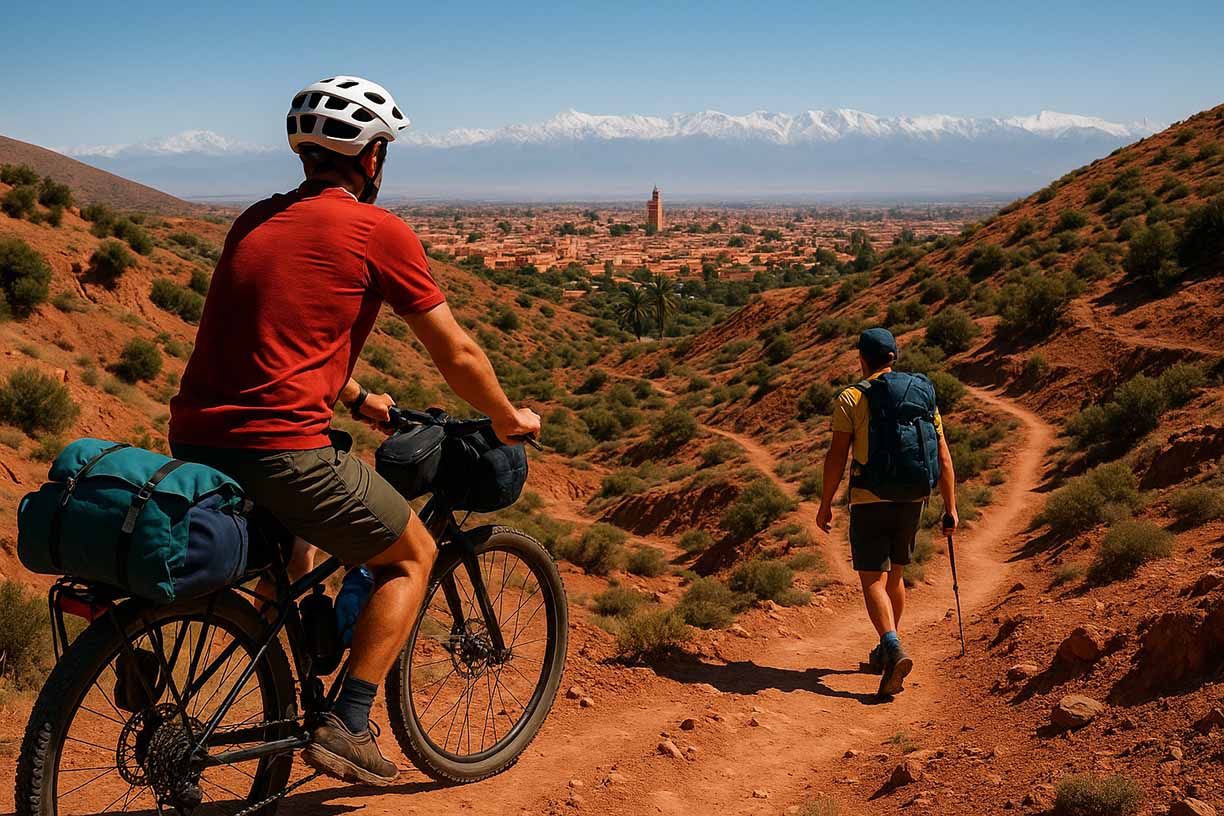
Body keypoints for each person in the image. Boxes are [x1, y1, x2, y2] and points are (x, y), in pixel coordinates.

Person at [168, 76, 541, 785]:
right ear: (371, 157)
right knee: (412, 554)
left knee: (293, 541)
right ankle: (349, 723)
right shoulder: (377, 231)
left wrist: (359, 394)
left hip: (196, 439)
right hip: (281, 450)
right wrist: (505, 416)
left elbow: (270, 342)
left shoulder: (254, 219)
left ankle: (287, 678)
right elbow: (457, 351)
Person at [814, 328, 957, 698]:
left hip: (870, 497)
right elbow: (942, 455)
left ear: (862, 357)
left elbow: (836, 457)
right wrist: (951, 508)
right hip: (913, 498)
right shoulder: (923, 394)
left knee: (872, 581)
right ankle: (884, 649)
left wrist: (825, 502)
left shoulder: (852, 397)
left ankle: (892, 647)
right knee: (896, 578)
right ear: (893, 356)